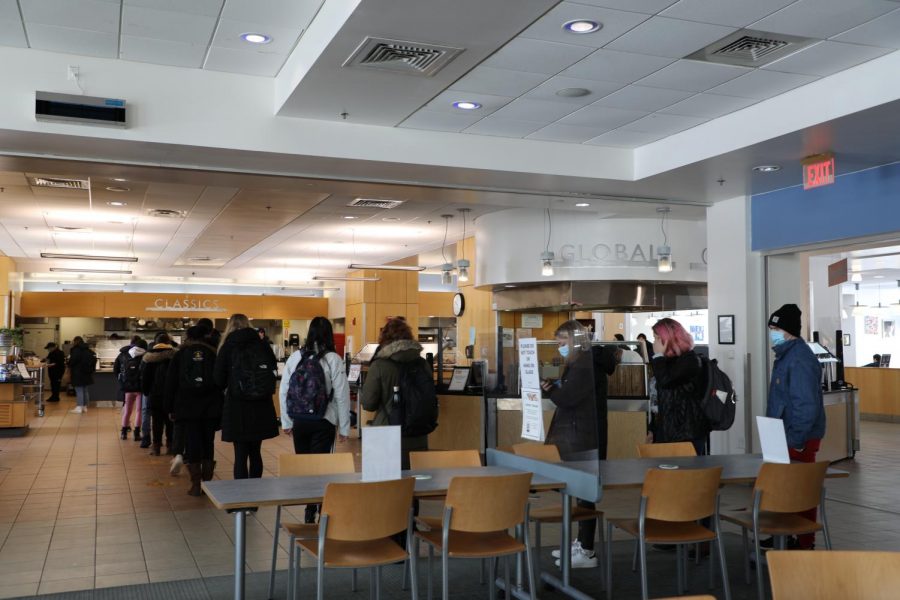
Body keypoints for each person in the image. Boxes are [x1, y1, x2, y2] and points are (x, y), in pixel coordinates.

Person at [279, 316, 351, 522]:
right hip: (323, 420)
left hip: (300, 420)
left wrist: (286, 421)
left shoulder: (296, 357)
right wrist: (344, 427)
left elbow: (285, 390)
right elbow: (341, 396)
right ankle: (319, 507)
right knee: (321, 468)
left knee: (305, 467)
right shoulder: (333, 359)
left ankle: (309, 508)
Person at [540, 321, 600, 569]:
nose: (559, 347)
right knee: (581, 493)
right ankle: (582, 543)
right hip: (580, 433)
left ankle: (586, 550)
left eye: (562, 342)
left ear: (575, 340)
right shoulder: (580, 363)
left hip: (581, 435)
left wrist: (552, 389)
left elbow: (568, 398)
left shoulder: (584, 366)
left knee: (584, 493)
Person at [767, 303, 826, 550]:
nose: (772, 333)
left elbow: (806, 406)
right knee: (784, 489)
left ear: (789, 331)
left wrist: (796, 440)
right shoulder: (786, 355)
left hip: (796, 438)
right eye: (771, 328)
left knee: (801, 490)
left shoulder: (799, 359)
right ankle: (784, 532)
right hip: (784, 435)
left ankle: (803, 540)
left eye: (776, 328)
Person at [215, 313, 279, 480]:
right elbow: (273, 371)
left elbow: (218, 379)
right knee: (256, 452)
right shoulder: (262, 345)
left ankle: (242, 501)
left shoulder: (227, 346)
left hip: (238, 406)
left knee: (240, 454)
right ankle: (255, 498)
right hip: (261, 405)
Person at [361, 317, 431, 469]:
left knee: (383, 486)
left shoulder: (379, 366)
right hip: (418, 432)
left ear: (384, 339)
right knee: (416, 484)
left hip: (385, 434)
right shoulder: (423, 364)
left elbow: (368, 403)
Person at [165, 326, 223, 496]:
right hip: (210, 406)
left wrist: (169, 407)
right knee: (208, 443)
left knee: (193, 444)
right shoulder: (213, 353)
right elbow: (220, 380)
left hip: (187, 407)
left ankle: (196, 484)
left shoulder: (180, 354)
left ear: (188, 337)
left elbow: (171, 383)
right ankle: (207, 482)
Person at [649, 318, 709, 455]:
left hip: (687, 436)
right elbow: (662, 400)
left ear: (667, 339)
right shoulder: (666, 362)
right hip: (667, 433)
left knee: (687, 476)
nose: (654, 343)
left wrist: (658, 355)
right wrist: (652, 429)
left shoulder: (690, 361)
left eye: (657, 338)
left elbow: (666, 381)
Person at [141, 333, 176, 456]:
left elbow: (145, 378)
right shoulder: (174, 356)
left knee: (156, 422)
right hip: (171, 394)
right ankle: (170, 446)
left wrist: (146, 391)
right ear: (168, 342)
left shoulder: (149, 358)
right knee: (170, 421)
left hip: (154, 394)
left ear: (156, 343)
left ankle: (156, 447)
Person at [120, 339, 147, 441]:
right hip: (139, 388)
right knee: (139, 411)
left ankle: (123, 432)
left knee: (127, 410)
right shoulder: (145, 356)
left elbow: (119, 369)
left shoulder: (127, 354)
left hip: (128, 387)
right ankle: (136, 433)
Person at [67, 336, 96, 414]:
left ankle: (79, 407)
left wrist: (68, 363)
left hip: (78, 372)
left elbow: (73, 360)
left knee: (79, 389)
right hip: (87, 372)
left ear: (76, 341)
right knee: (85, 390)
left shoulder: (76, 350)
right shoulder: (88, 350)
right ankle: (85, 406)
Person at [113, 335, 141, 405]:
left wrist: (121, 378)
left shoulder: (123, 353)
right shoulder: (143, 353)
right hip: (139, 384)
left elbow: (116, 368)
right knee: (139, 408)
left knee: (126, 405)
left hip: (126, 383)